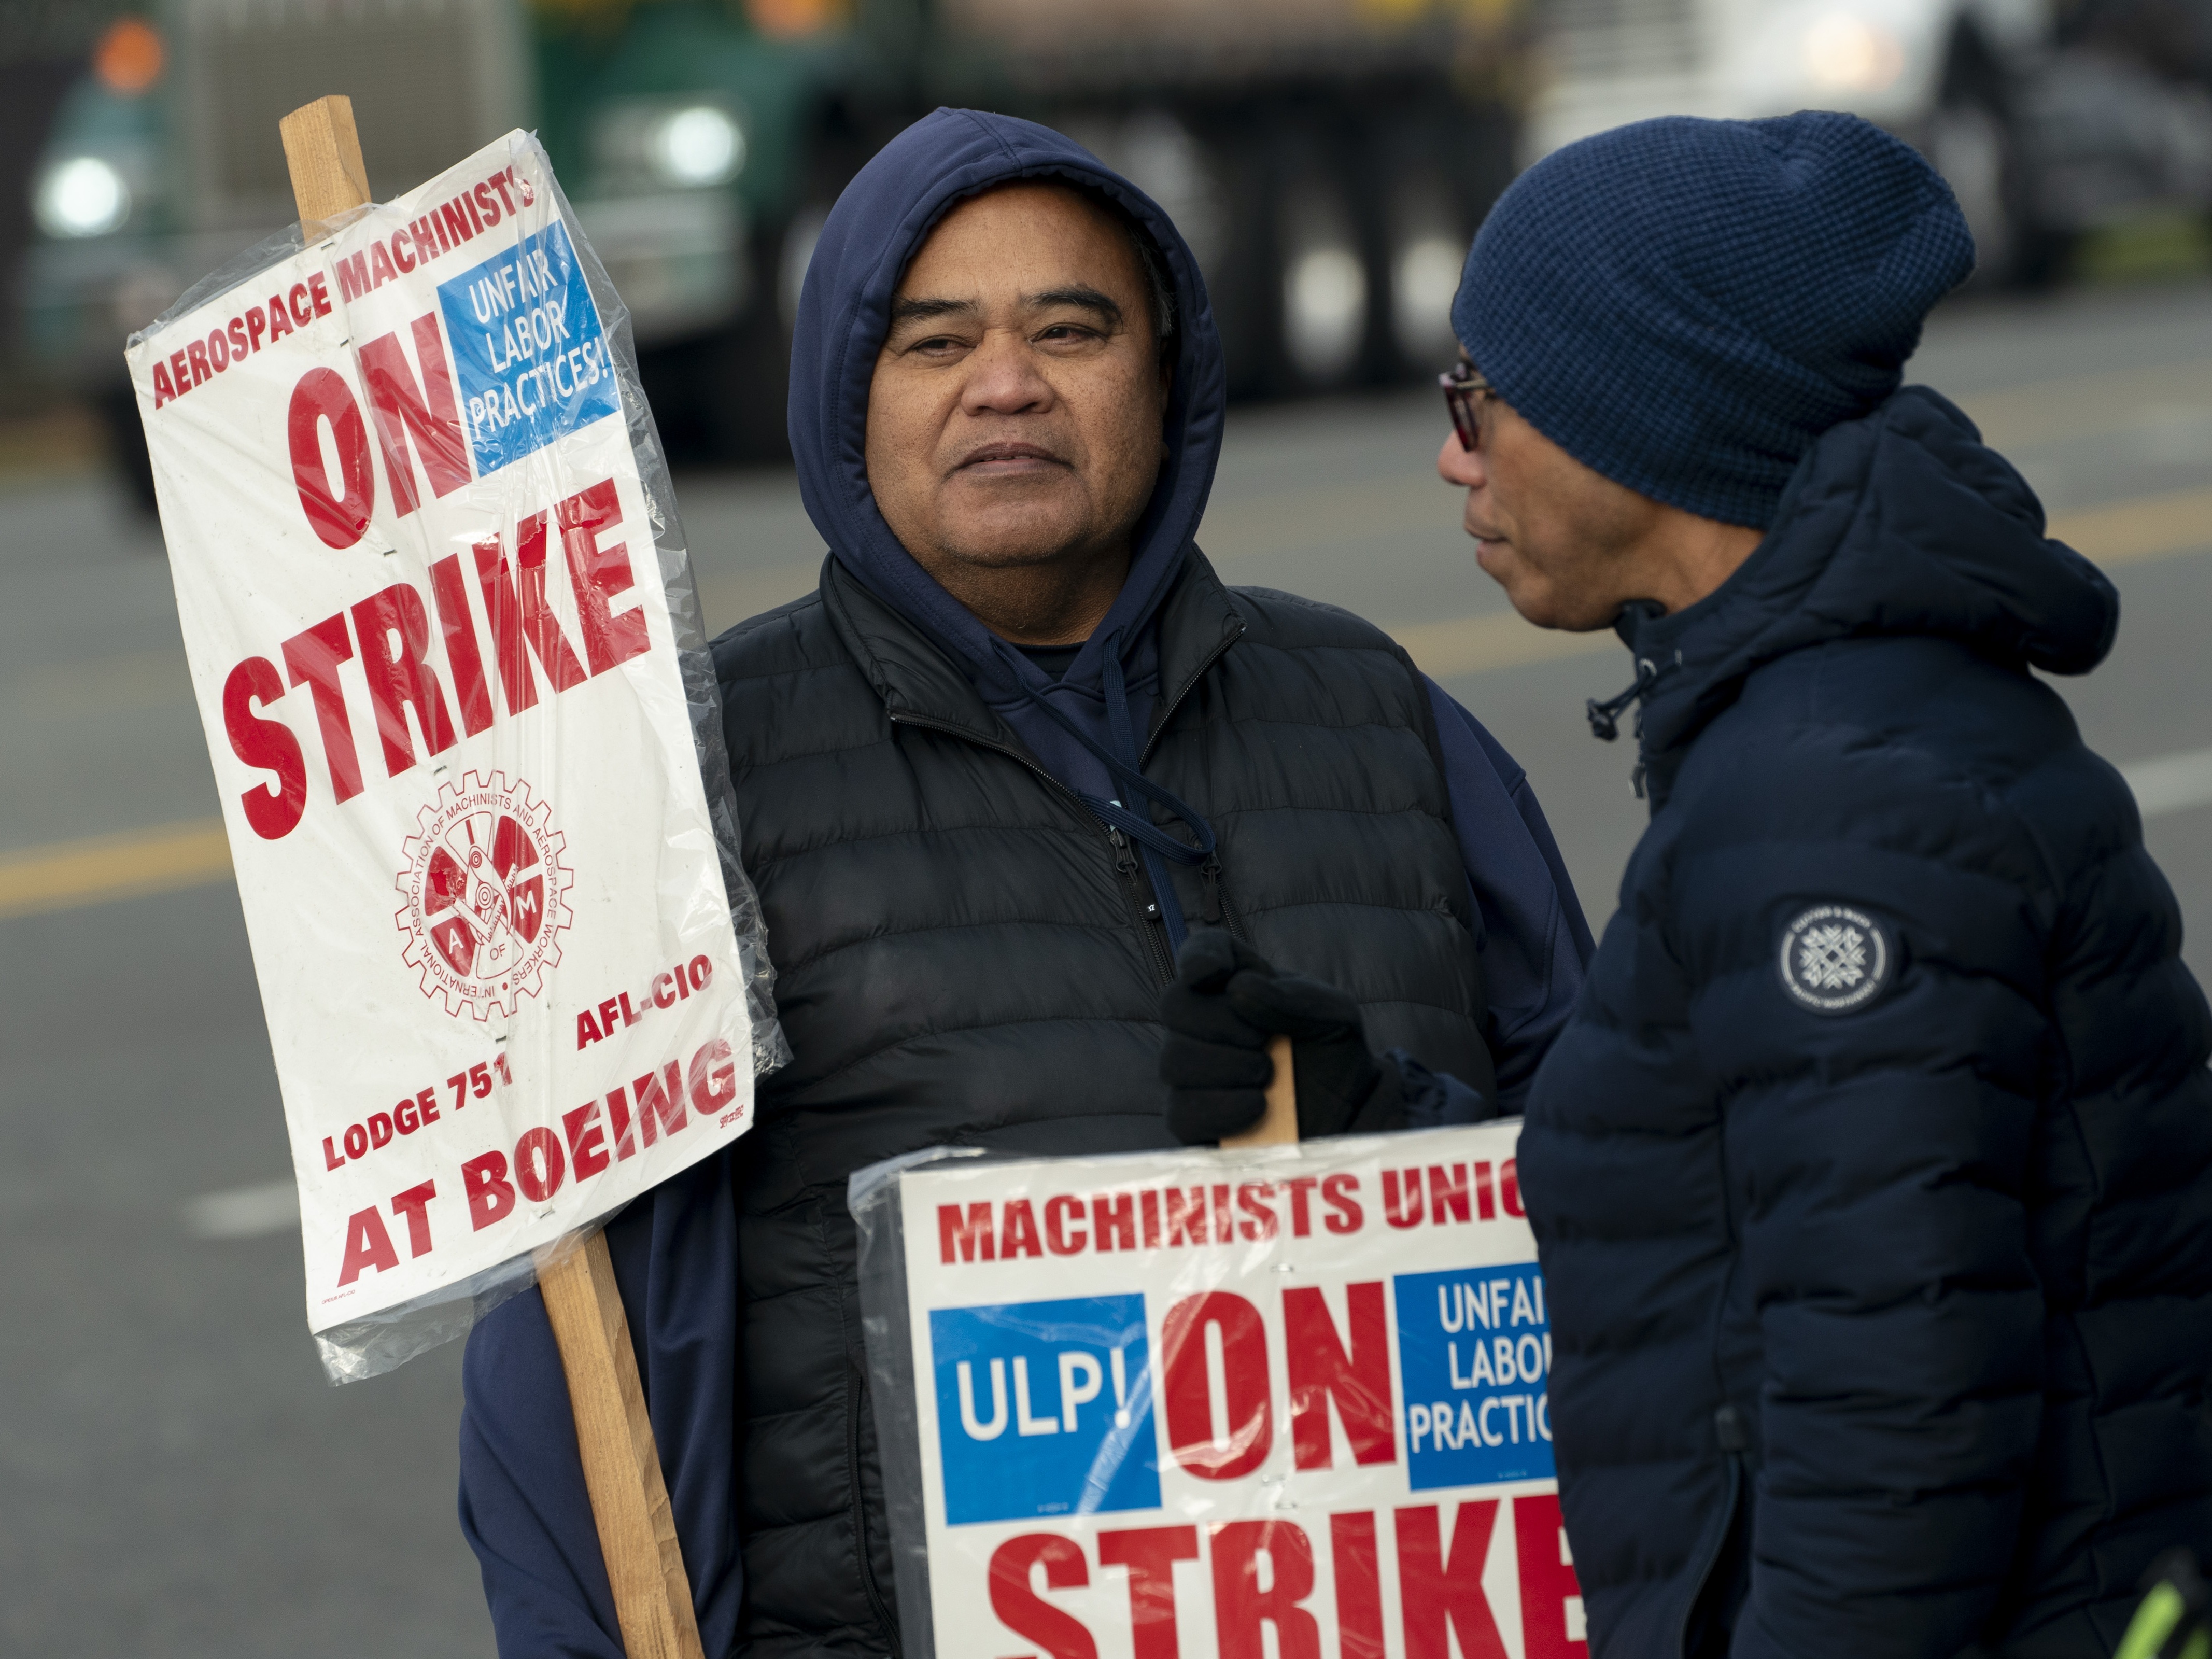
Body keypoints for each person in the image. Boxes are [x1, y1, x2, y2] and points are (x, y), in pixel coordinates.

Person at [455, 108, 1591, 1657]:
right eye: (932, 344)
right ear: (843, 397)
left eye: (1071, 328)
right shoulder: (690, 787)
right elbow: (572, 1385)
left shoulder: (1378, 714)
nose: (1007, 383)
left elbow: (1635, 1196)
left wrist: (1390, 1132)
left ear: (1168, 375)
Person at [1429, 113, 2210, 1655]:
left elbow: (1891, 1422)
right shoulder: (1829, 719)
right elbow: (1759, 1180)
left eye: (1478, 397)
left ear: (1634, 419)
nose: (1451, 452)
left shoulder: (1828, 793)